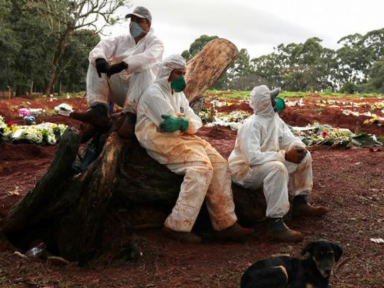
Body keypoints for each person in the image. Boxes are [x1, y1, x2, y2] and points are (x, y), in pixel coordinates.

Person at [135, 54, 253, 244]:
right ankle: (176, 226)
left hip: (182, 137)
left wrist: (182, 122)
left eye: (183, 73)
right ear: (167, 73)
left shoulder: (178, 94)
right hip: (157, 139)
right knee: (201, 168)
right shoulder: (154, 94)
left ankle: (225, 223)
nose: (182, 77)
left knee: (220, 165)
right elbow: (169, 128)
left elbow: (197, 122)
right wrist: (185, 123)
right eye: (177, 73)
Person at [228, 85, 328, 243]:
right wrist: (284, 156)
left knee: (305, 156)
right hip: (244, 171)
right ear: (265, 103)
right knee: (278, 168)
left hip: (266, 162)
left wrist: (297, 147)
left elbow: (289, 139)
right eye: (273, 98)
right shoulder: (251, 125)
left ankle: (300, 201)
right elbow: (252, 159)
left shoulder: (275, 120)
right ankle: (275, 223)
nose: (278, 101)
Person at [70, 6, 164, 138]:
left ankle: (131, 118)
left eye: (139, 21)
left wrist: (124, 64)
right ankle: (99, 110)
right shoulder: (121, 40)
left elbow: (149, 58)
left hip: (144, 96)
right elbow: (100, 48)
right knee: (95, 62)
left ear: (148, 24)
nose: (133, 24)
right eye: (132, 20)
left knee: (143, 68)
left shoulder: (155, 43)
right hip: (123, 93)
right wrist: (100, 60)